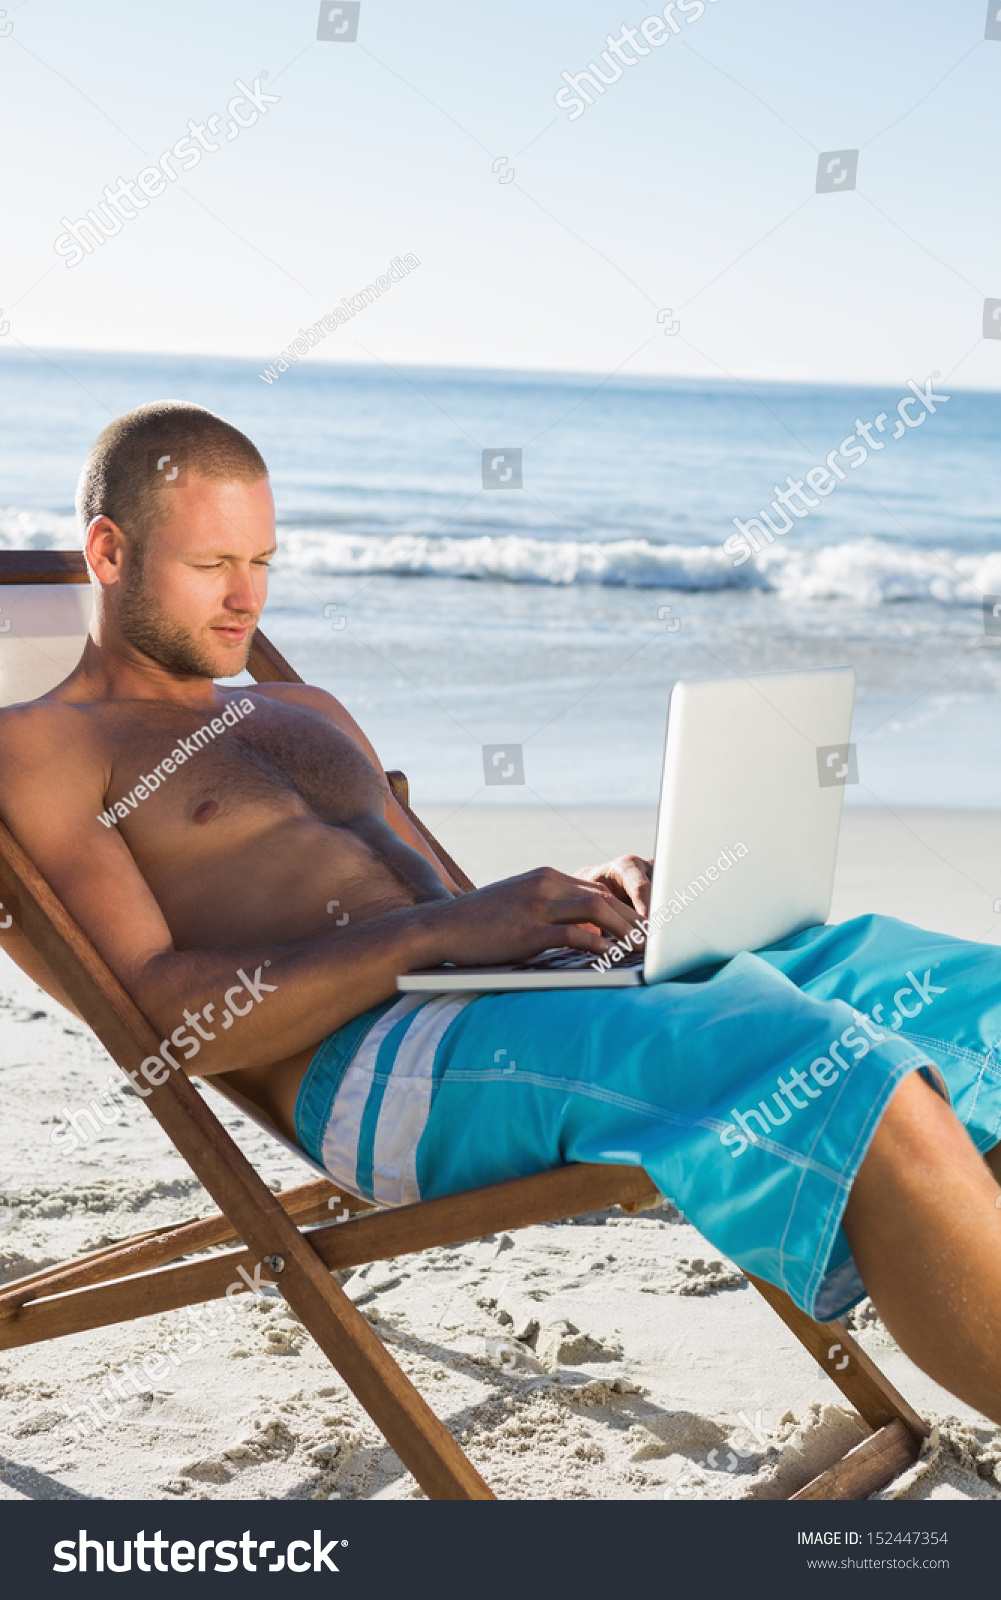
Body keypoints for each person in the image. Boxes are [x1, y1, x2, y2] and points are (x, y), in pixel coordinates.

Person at [1, 401, 1000, 1426]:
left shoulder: (303, 712)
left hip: (509, 998)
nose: (245, 597)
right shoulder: (46, 749)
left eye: (263, 559)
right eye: (211, 563)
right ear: (110, 551)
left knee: (969, 996)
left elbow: (441, 904)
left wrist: (582, 898)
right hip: (380, 1067)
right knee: (818, 1054)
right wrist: (445, 937)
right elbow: (165, 1023)